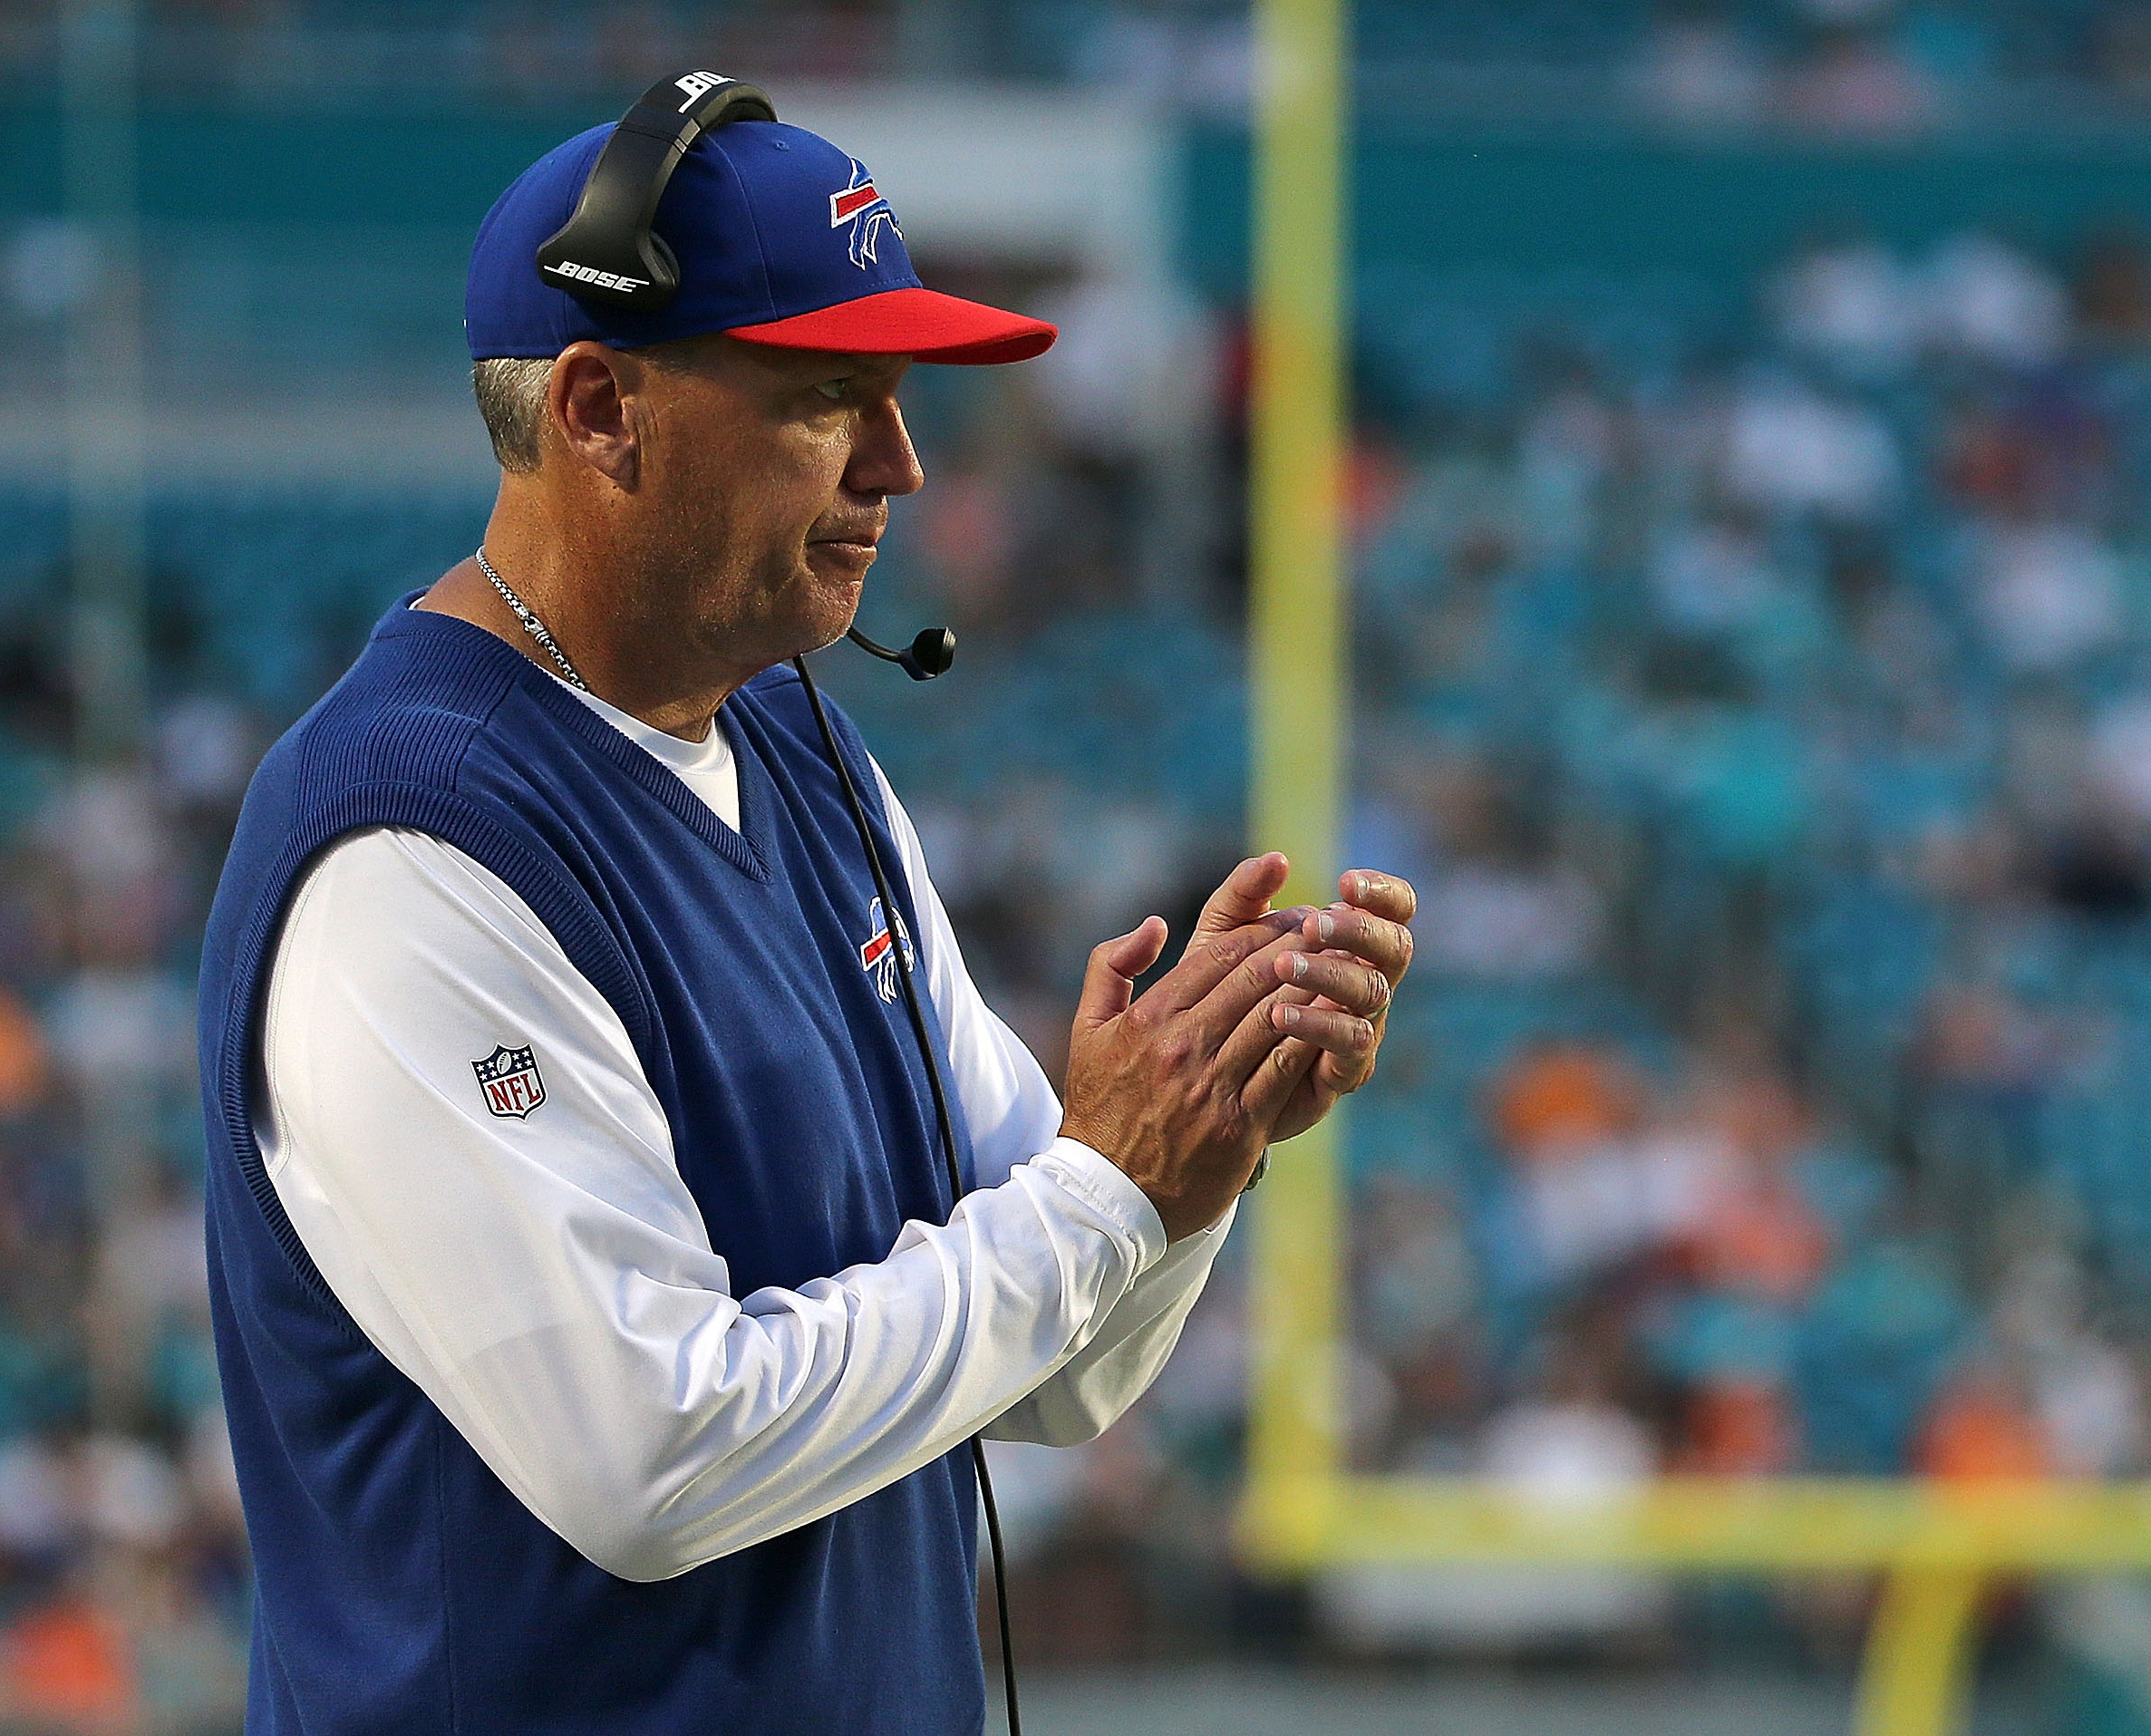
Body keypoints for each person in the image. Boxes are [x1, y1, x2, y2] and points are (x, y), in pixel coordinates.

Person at [194, 102, 1415, 1735]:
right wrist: (1108, 1188)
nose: (901, 465)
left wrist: (1195, 1148)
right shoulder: (412, 840)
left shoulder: (802, 741)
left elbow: (1054, 1367)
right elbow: (647, 1454)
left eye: (898, 399)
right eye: (828, 398)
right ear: (602, 407)